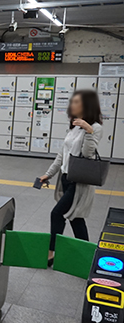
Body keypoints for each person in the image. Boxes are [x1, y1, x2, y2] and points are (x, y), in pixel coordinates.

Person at [38, 89, 103, 265]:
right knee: (75, 218)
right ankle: (87, 255)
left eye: (76, 102)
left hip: (79, 181)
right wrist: (49, 173)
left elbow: (88, 154)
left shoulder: (95, 128)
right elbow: (62, 154)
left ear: (86, 105)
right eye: (72, 102)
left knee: (57, 214)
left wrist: (89, 132)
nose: (72, 105)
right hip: (66, 179)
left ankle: (51, 253)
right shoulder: (74, 126)